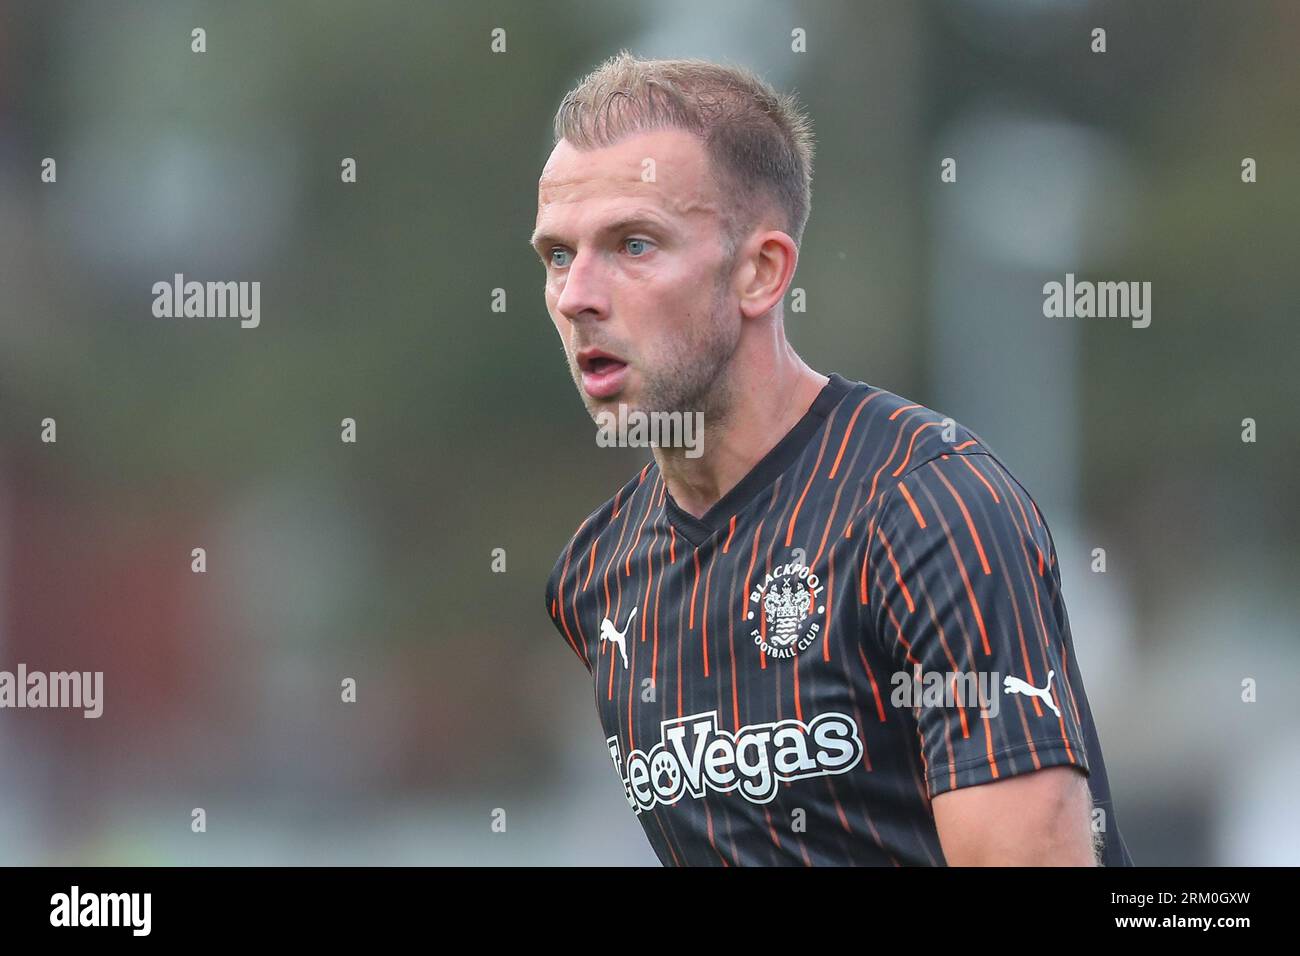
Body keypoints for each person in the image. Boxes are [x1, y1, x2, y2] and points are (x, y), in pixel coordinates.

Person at [534, 50, 1132, 866]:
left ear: (760, 272)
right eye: (559, 256)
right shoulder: (597, 577)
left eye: (633, 245)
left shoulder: (929, 511)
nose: (577, 296)